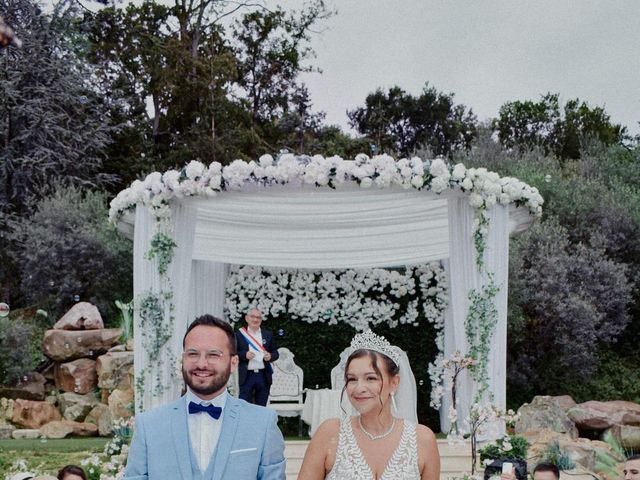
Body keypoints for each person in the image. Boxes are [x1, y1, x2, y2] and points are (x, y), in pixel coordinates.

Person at [125, 314, 285, 480]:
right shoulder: (148, 425)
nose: (202, 364)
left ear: (233, 363)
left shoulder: (263, 423)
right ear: (183, 359)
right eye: (193, 354)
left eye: (213, 354)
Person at [298, 330, 440, 480]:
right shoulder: (329, 433)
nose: (359, 388)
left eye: (371, 378)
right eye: (352, 379)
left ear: (394, 383)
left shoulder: (423, 439)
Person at [235, 308, 279, 406]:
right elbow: (233, 353)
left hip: (263, 376)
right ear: (247, 318)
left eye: (258, 317)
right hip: (246, 376)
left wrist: (270, 356)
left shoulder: (268, 335)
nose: (255, 320)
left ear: (261, 320)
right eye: (253, 317)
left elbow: (276, 353)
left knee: (261, 407)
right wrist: (244, 355)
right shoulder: (239, 335)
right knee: (244, 406)